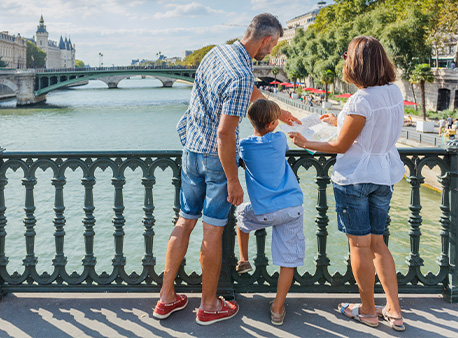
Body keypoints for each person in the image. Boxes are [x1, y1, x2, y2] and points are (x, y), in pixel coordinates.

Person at [153, 13, 300, 326]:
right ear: (266, 40)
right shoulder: (242, 76)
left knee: (184, 220)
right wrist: (234, 181)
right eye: (272, 46)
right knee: (212, 229)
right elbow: (224, 134)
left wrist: (279, 111)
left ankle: (166, 297)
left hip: (190, 149)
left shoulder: (216, 52)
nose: (270, 52)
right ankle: (209, 305)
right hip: (215, 159)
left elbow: (248, 94)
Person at [289, 36, 406, 332]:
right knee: (379, 244)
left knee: (359, 246)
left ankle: (367, 310)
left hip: (355, 178)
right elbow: (366, 130)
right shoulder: (393, 92)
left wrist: (307, 142)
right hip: (383, 175)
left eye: (346, 56)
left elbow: (341, 146)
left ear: (356, 63)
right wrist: (338, 120)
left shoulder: (360, 100)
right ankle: (394, 309)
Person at [235, 99, 305, 326]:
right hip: (292, 208)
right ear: (274, 123)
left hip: (265, 211)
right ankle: (277, 309)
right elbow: (281, 145)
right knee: (288, 260)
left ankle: (244, 259)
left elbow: (240, 156)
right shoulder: (279, 138)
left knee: (241, 215)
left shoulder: (244, 145)